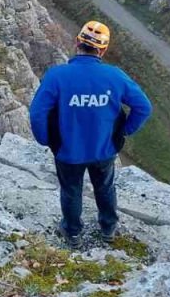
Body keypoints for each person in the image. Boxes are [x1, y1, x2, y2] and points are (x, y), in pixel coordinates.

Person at [28, 20, 153, 245]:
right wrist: (124, 131)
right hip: (104, 149)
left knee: (71, 191)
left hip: (67, 150)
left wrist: (45, 139)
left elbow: (37, 113)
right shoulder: (115, 76)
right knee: (104, 187)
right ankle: (108, 228)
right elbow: (143, 107)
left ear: (77, 42)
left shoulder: (57, 76)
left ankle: (72, 232)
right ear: (102, 50)